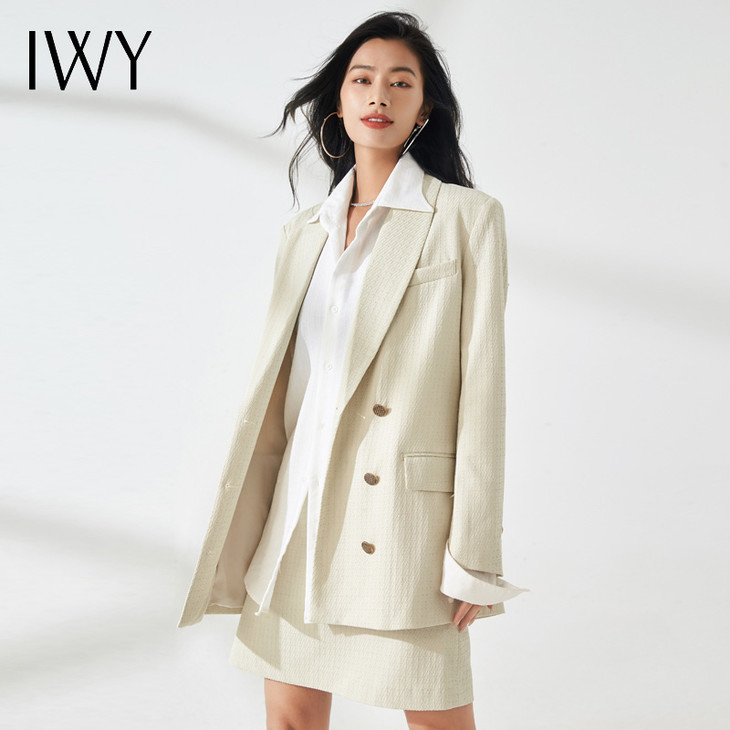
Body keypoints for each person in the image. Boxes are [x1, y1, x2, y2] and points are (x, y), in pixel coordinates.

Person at [177, 10, 529, 729]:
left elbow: (483, 393)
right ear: (338, 102)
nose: (379, 95)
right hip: (297, 511)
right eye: (362, 80)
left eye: (401, 83)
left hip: (401, 523)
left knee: (436, 719)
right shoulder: (301, 232)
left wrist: (475, 552)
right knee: (291, 720)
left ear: (423, 109)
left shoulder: (466, 218)